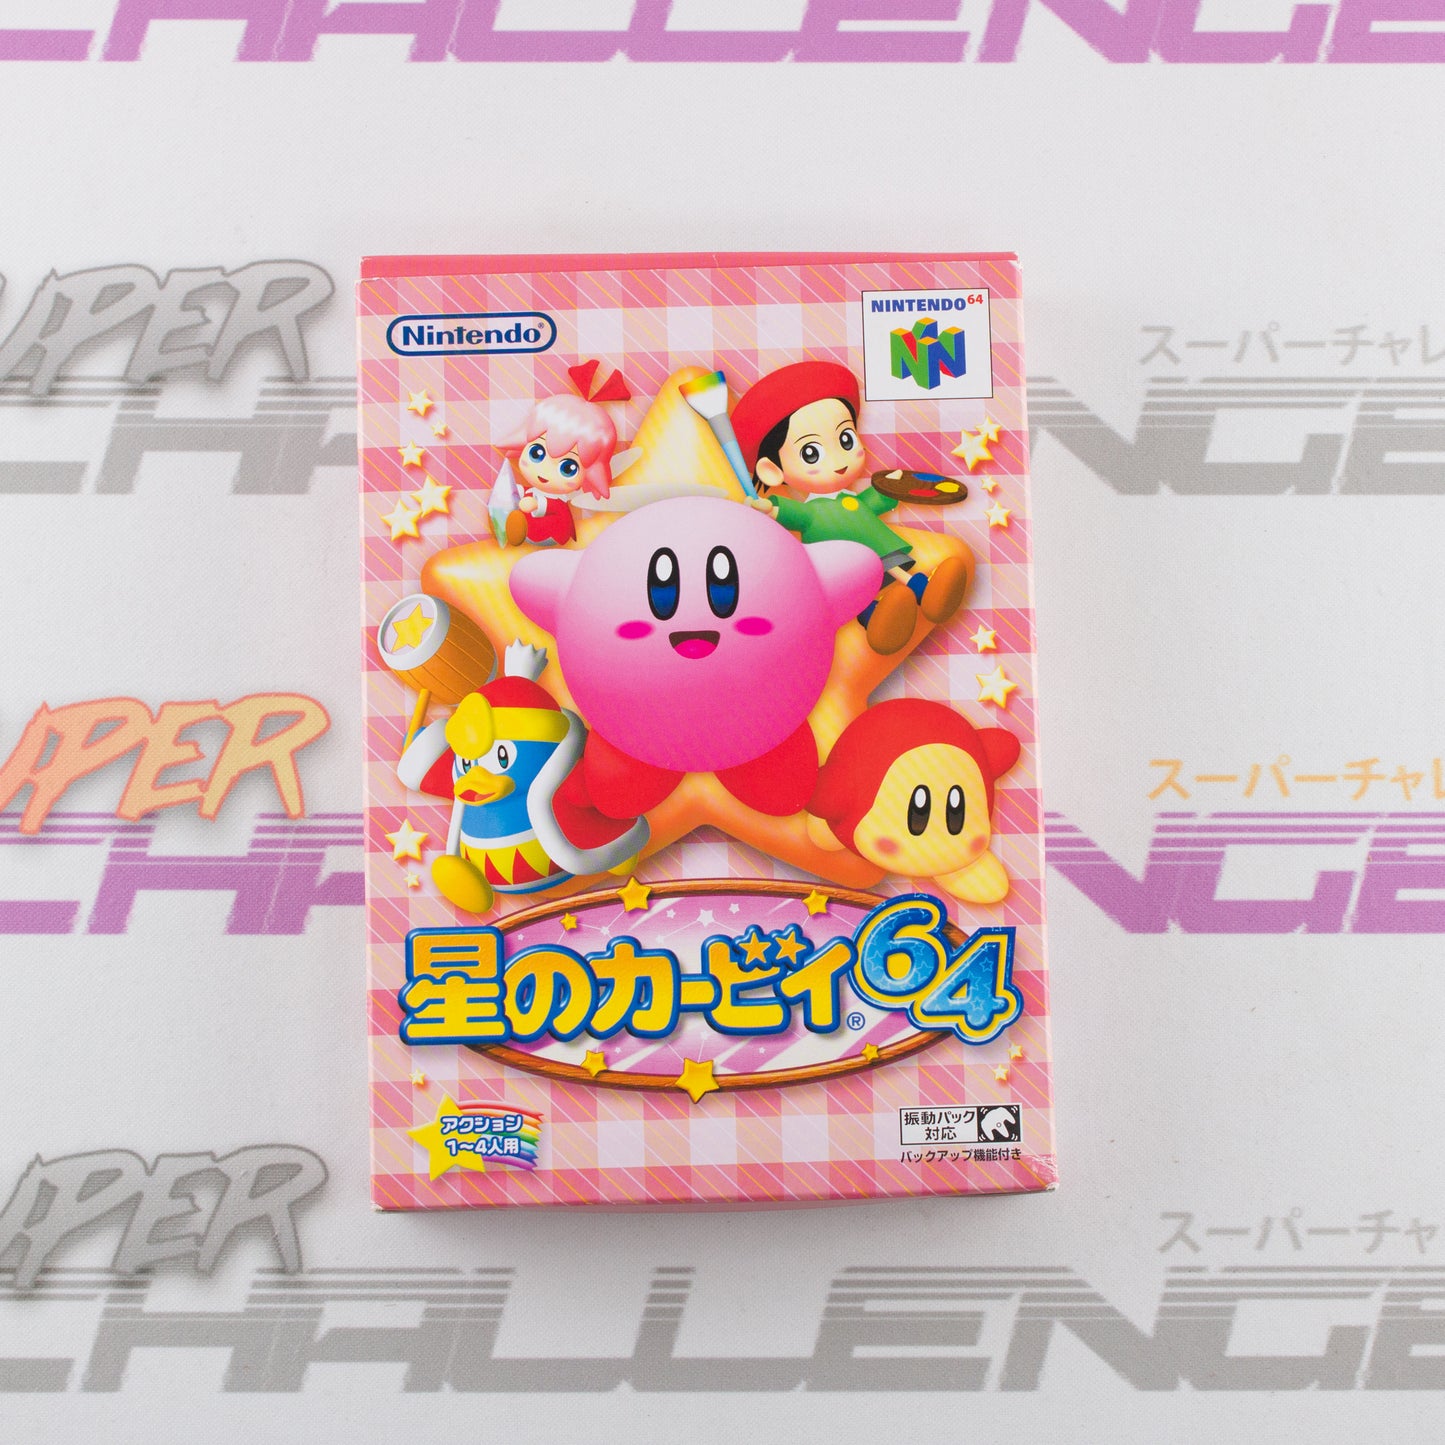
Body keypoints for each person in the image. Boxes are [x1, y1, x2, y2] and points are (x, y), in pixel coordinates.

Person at [730, 360, 970, 654]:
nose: (838, 460)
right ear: (771, 471)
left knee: (895, 568)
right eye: (811, 452)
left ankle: (925, 591)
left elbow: (871, 502)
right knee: (854, 590)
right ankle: (877, 619)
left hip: (876, 546)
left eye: (845, 439)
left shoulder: (853, 500)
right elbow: (795, 514)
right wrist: (770, 509)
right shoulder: (812, 512)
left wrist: (893, 487)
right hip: (839, 561)